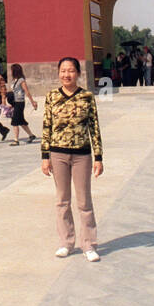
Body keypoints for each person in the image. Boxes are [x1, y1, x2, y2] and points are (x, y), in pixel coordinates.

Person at [40, 57, 103, 263]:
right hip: (58, 154)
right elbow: (46, 127)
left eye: (71, 70)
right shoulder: (51, 97)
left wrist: (98, 157)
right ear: (58, 73)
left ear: (78, 73)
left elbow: (94, 127)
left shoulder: (86, 96)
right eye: (63, 71)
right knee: (62, 200)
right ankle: (67, 242)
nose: (67, 74)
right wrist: (45, 157)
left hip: (82, 155)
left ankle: (89, 244)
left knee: (84, 201)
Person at [7, 64, 39, 146]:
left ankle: (16, 140)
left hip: (20, 102)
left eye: (12, 70)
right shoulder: (14, 80)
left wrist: (33, 102)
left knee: (15, 121)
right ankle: (31, 135)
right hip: (15, 102)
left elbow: (27, 92)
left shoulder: (21, 80)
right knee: (21, 121)